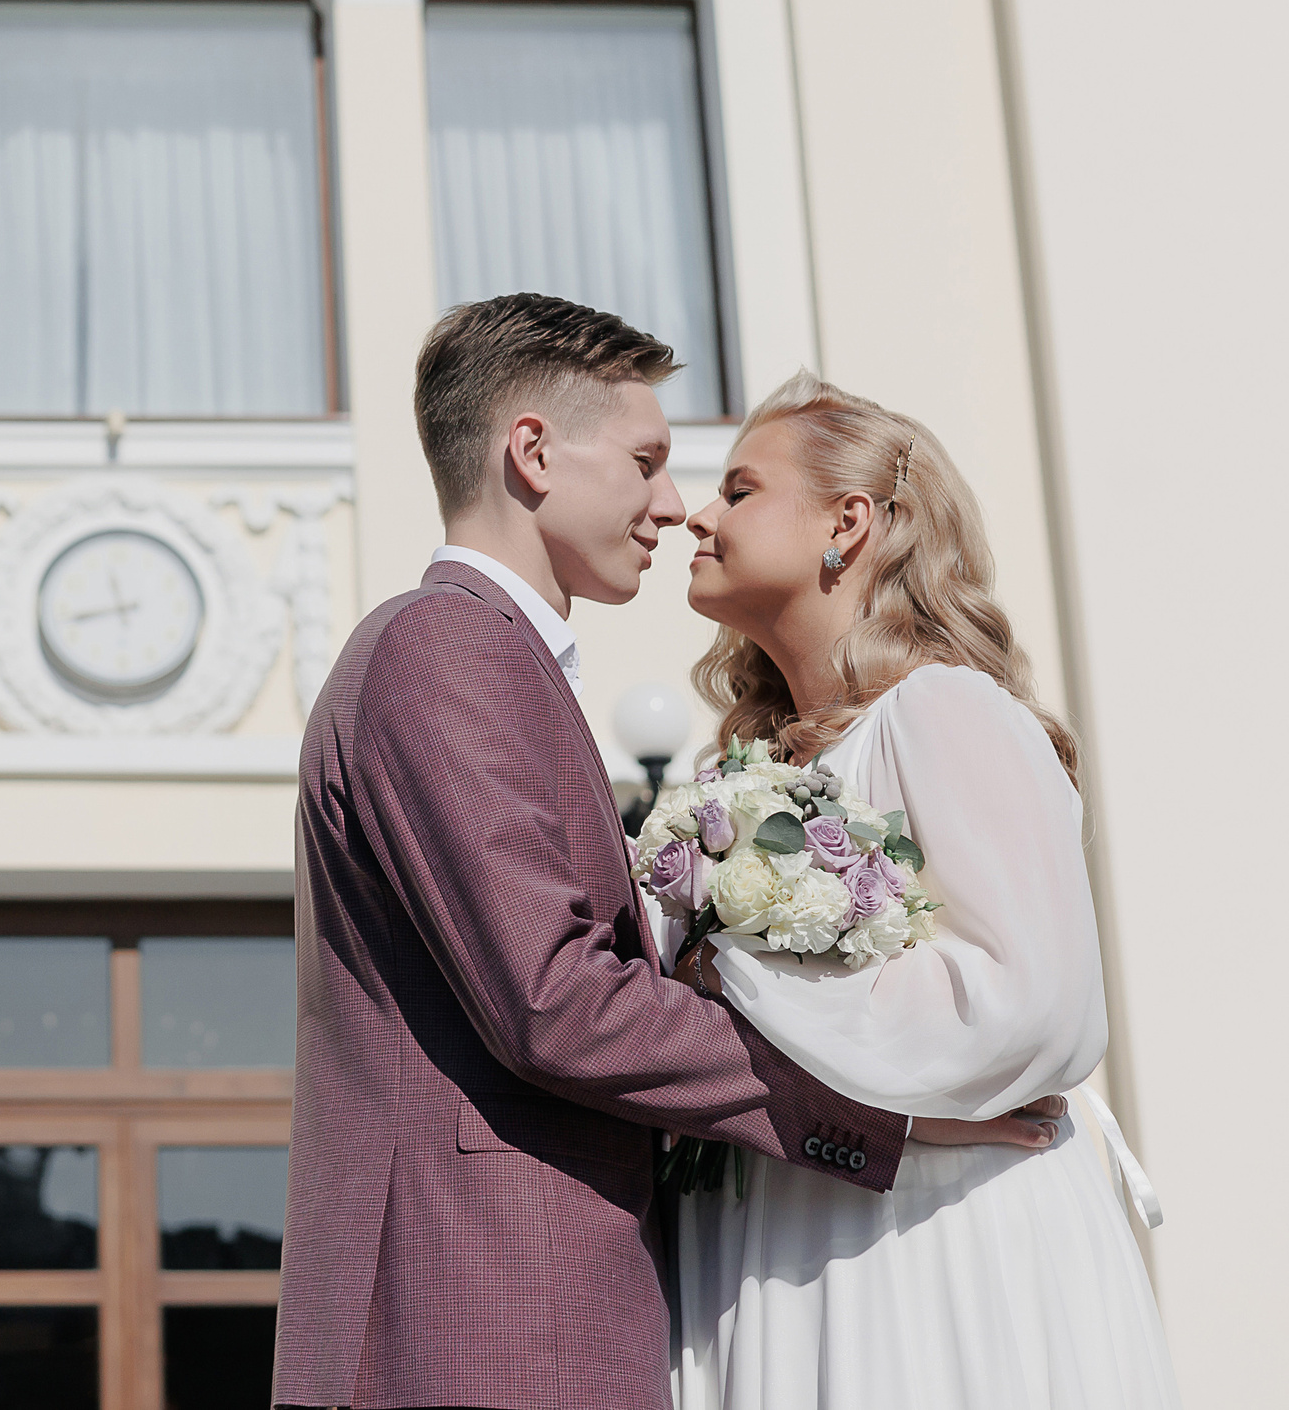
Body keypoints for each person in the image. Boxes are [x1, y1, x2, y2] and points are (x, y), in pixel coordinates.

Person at [271, 295, 1051, 1410]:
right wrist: (883, 1113)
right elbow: (553, 1000)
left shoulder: (497, 661)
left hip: (531, 1310)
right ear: (531, 454)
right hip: (473, 1315)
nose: (670, 505)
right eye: (643, 462)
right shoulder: (438, 646)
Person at [668, 370, 1177, 1408]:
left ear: (845, 524)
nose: (694, 512)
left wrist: (730, 976)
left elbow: (1025, 1000)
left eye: (738, 489)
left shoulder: (944, 712)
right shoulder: (740, 774)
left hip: (933, 1235)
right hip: (783, 1225)